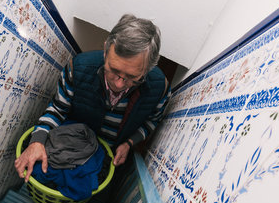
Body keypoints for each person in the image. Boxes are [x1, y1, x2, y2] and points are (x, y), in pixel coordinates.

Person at [15, 14, 170, 182]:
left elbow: (152, 121)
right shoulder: (78, 68)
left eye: (132, 77)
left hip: (106, 160)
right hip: (72, 145)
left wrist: (129, 143)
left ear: (147, 69)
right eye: (114, 70)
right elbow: (58, 109)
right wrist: (37, 141)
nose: (119, 84)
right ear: (105, 51)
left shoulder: (159, 87)